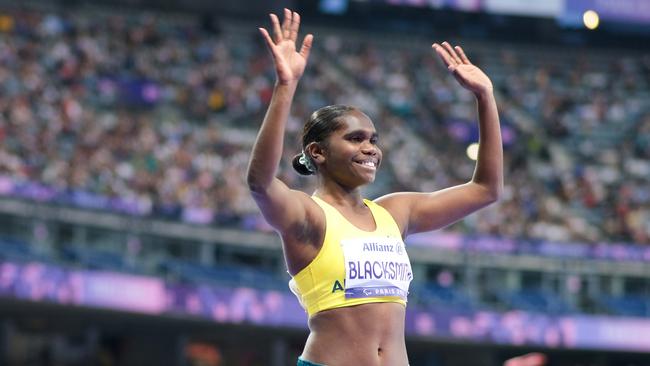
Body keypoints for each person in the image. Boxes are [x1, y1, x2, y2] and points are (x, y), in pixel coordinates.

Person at [247, 8, 505, 366]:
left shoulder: (395, 213)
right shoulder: (309, 217)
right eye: (355, 139)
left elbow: (486, 189)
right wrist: (285, 86)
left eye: (373, 139)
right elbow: (260, 184)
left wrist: (485, 97)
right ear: (317, 152)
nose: (370, 148)